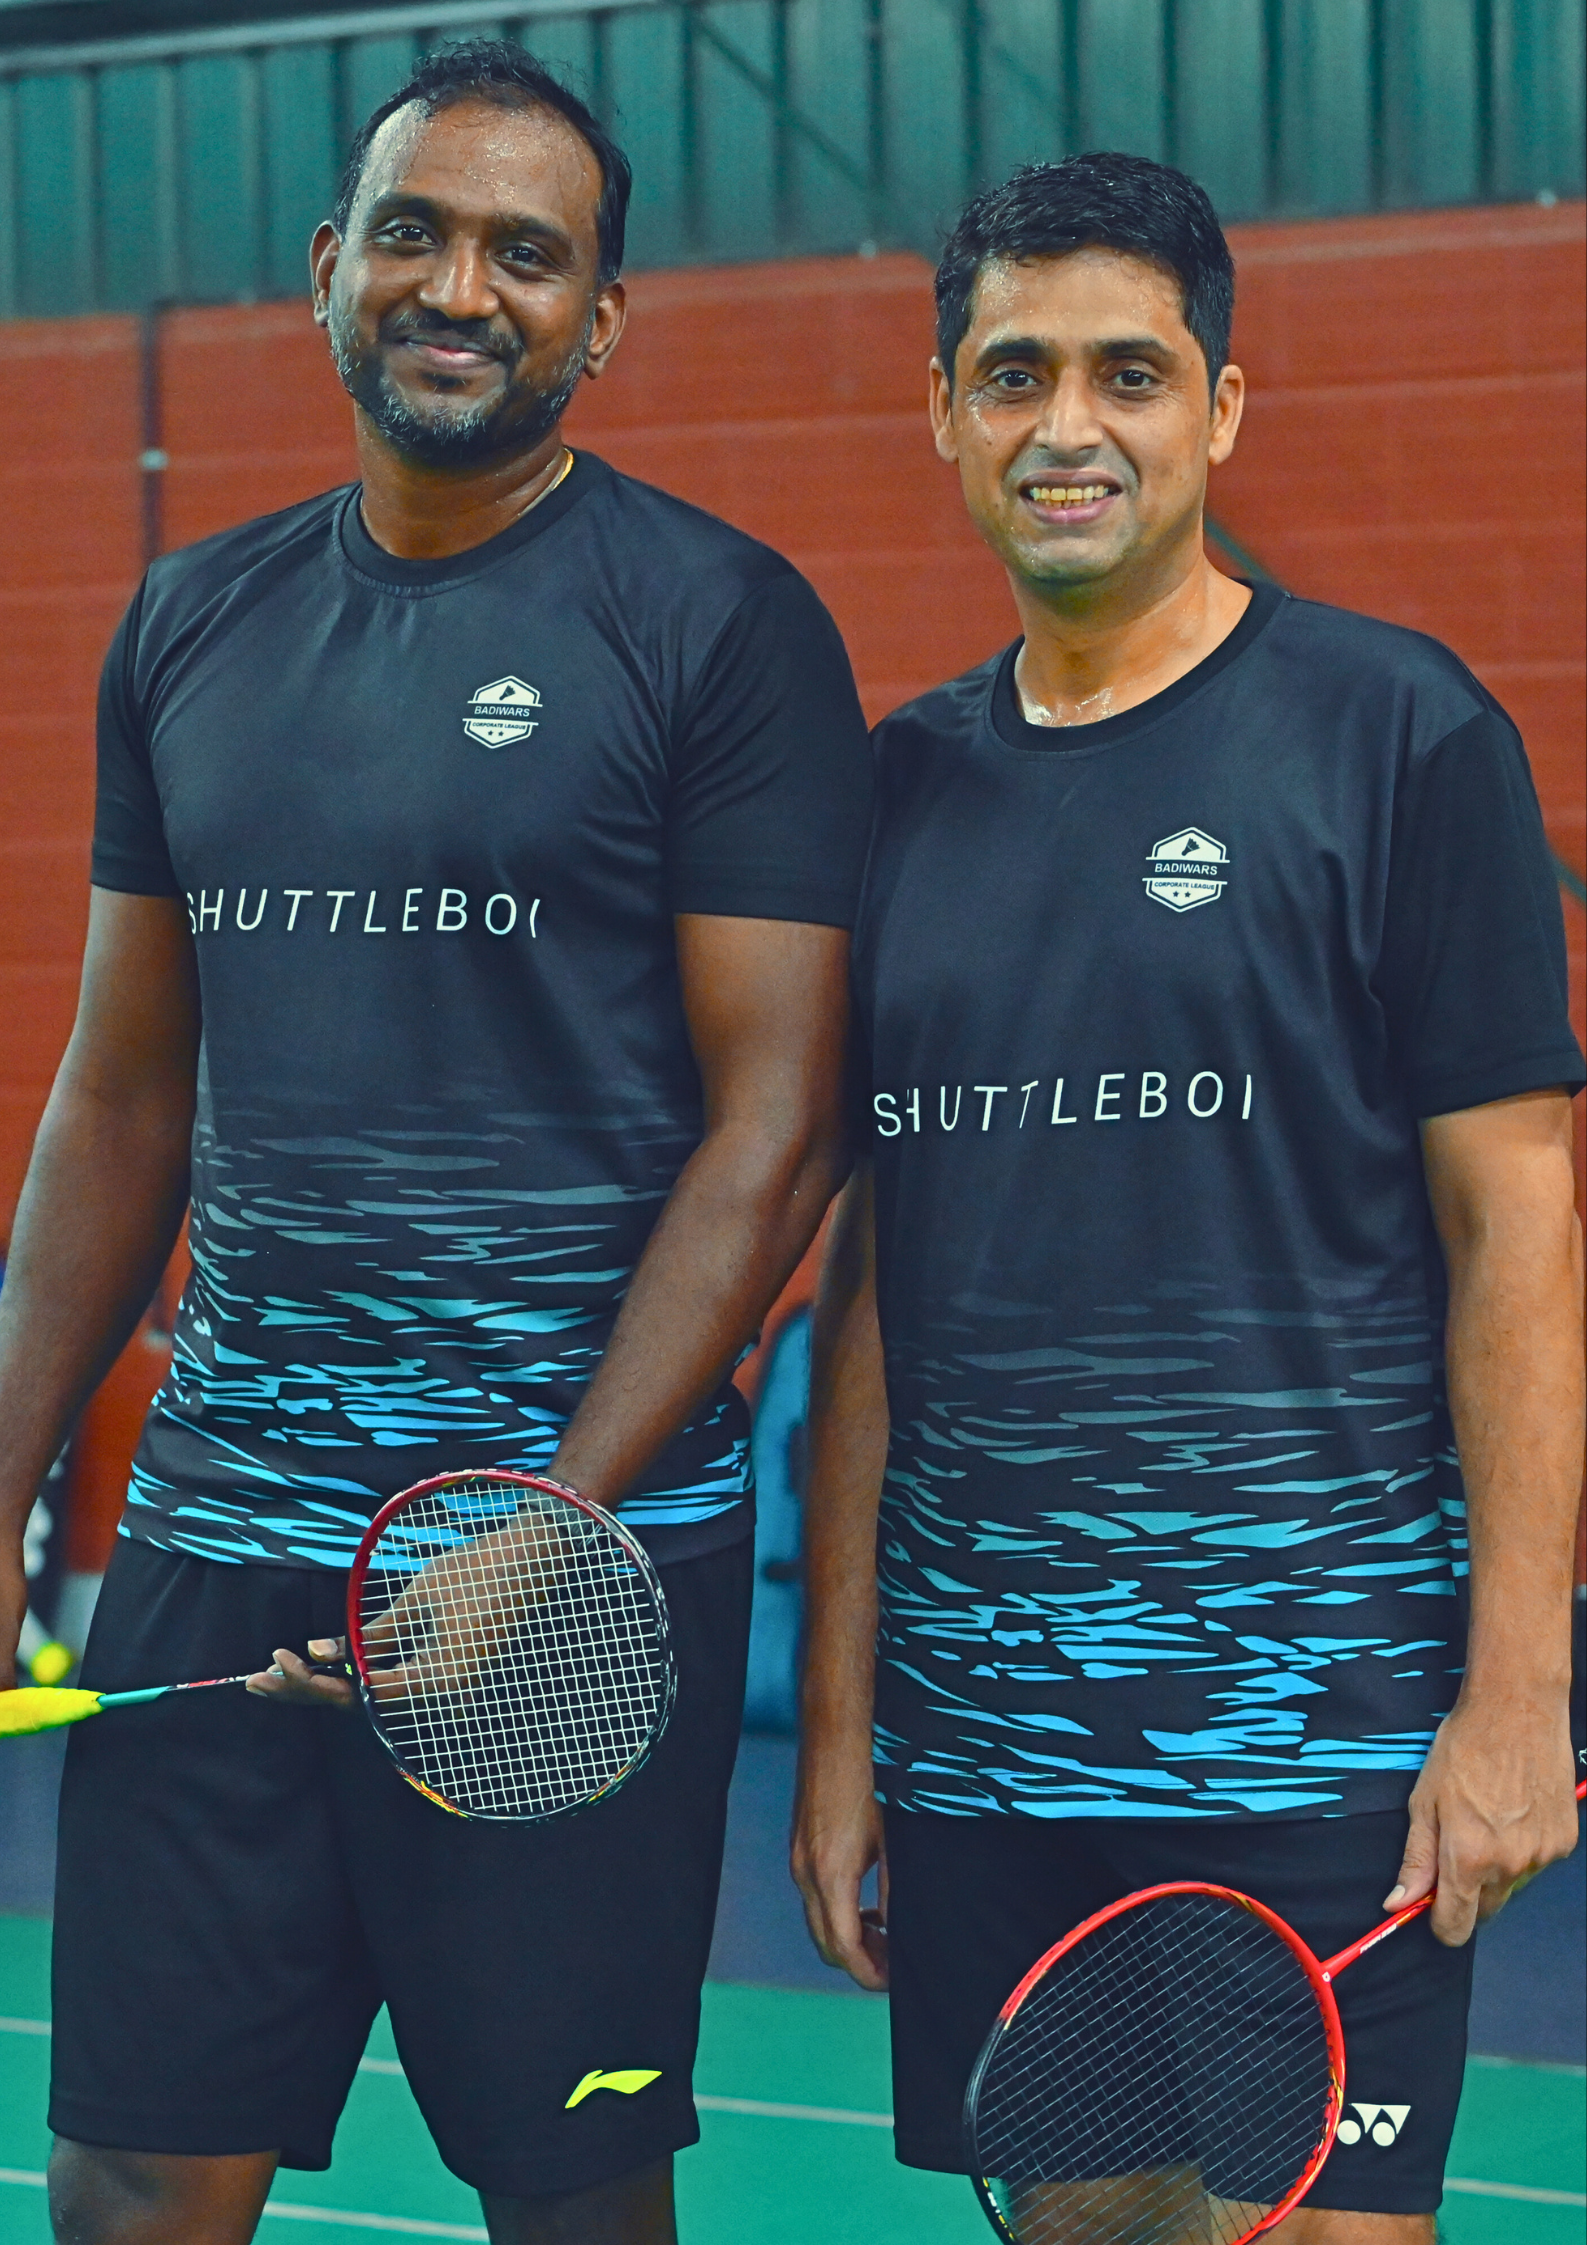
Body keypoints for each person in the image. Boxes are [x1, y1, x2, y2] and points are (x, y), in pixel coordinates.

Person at [0, 41, 871, 2245]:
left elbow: (776, 1125)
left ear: (601, 317)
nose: (457, 287)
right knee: (127, 2187)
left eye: (522, 252)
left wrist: (547, 1525)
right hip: (225, 1542)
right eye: (412, 231)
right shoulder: (189, 622)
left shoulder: (716, 622)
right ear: (328, 267)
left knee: (571, 2198)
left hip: (562, 1581)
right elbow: (119, 1096)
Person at [792, 153, 1584, 2243]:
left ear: (1219, 409)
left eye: (1127, 374)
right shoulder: (888, 793)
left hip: (1318, 1729)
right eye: (1013, 374)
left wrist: (1519, 1693)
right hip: (991, 1741)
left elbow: (1516, 1223)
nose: (1067, 426)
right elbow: (869, 1287)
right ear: (943, 413)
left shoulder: (1398, 735)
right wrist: (846, 1726)